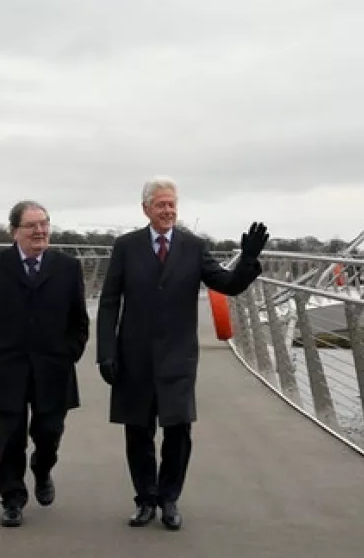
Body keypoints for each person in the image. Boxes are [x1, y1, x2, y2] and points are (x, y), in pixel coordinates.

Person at [96, 176, 268, 530]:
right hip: (135, 355)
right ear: (146, 208)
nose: (168, 211)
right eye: (161, 204)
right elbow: (110, 301)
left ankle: (169, 498)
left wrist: (248, 261)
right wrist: (106, 352)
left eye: (172, 205)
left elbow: (228, 285)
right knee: (138, 431)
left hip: (178, 356)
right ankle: (145, 499)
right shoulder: (126, 246)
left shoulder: (194, 247)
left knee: (178, 432)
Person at [0, 200, 91, 527]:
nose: (40, 231)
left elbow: (79, 318)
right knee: (10, 436)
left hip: (54, 365)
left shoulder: (67, 266)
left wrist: (71, 352)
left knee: (49, 431)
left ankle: (42, 467)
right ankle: (12, 498)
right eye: (32, 225)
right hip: (8, 364)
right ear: (15, 231)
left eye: (45, 224)